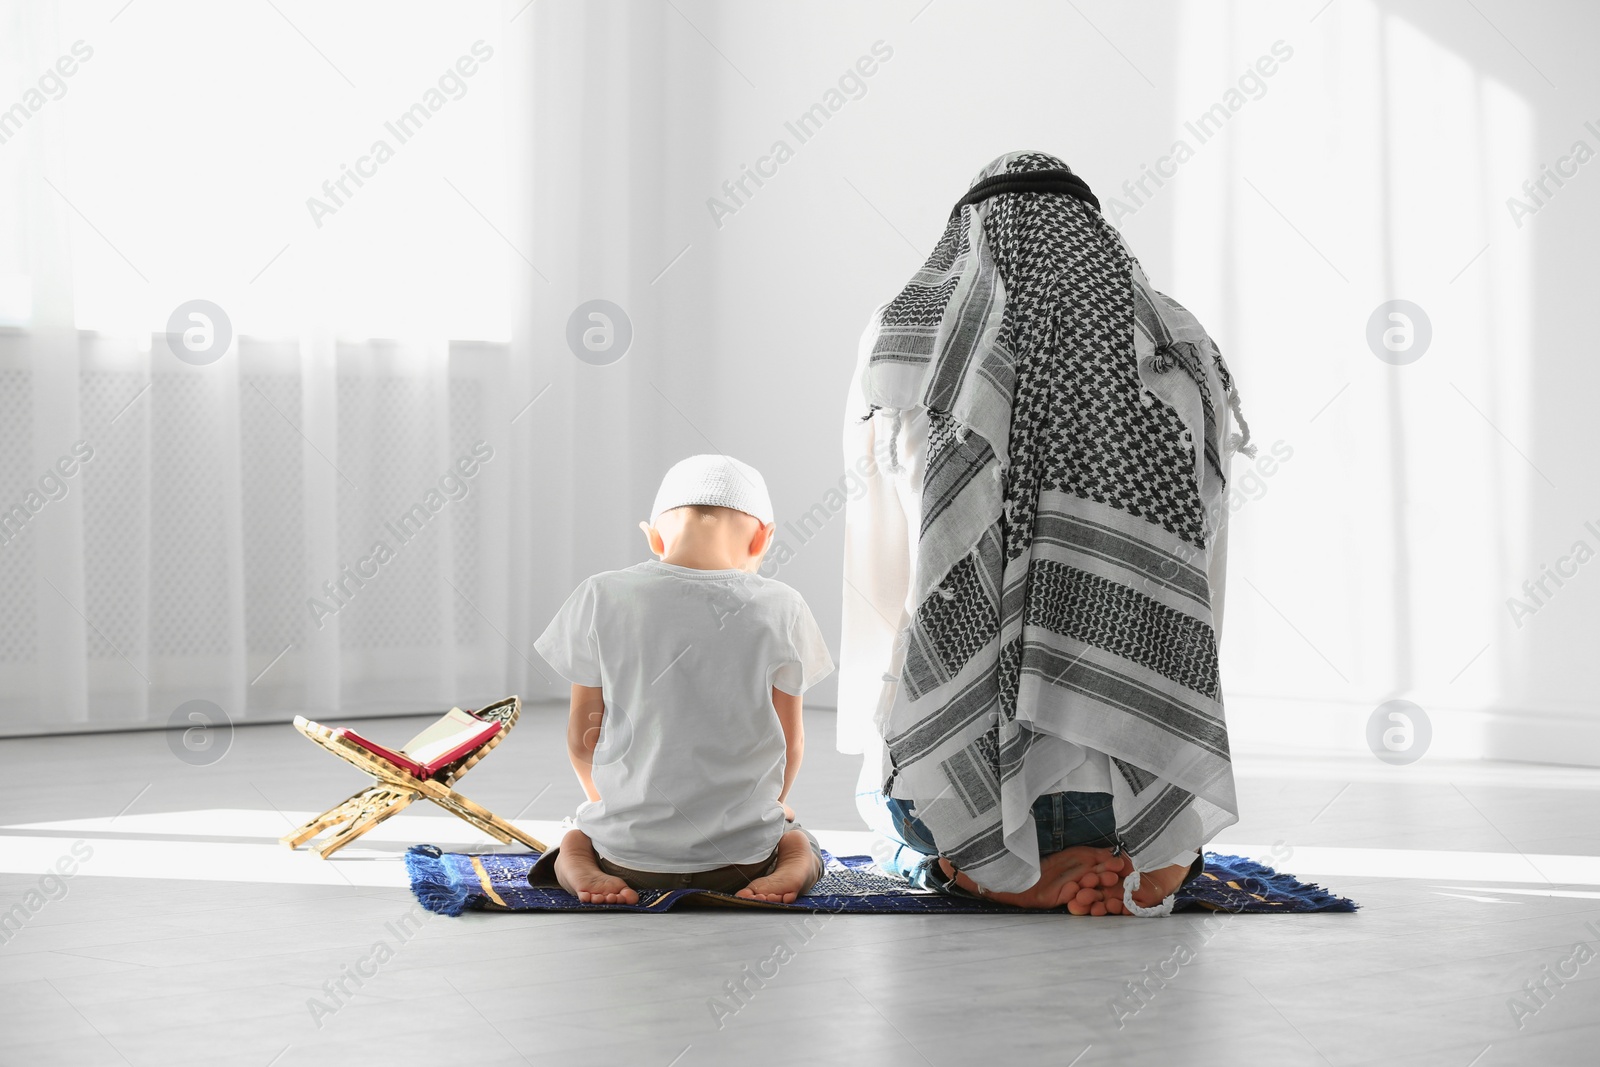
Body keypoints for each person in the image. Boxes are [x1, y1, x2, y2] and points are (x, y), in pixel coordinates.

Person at [838, 151, 1252, 916]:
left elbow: (884, 583)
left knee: (883, 815)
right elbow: (1204, 587)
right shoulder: (1181, 347)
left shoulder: (908, 333)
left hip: (962, 788)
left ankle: (981, 867)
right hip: (1138, 796)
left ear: (969, 232)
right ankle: (1154, 861)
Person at [529, 453, 835, 904]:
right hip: (741, 860)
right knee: (795, 836)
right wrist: (770, 807)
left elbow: (582, 737)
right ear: (762, 539)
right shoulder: (783, 606)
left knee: (576, 834)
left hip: (628, 857)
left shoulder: (601, 595)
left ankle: (577, 863)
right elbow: (791, 742)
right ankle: (793, 866)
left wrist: (609, 804)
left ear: (653, 536)